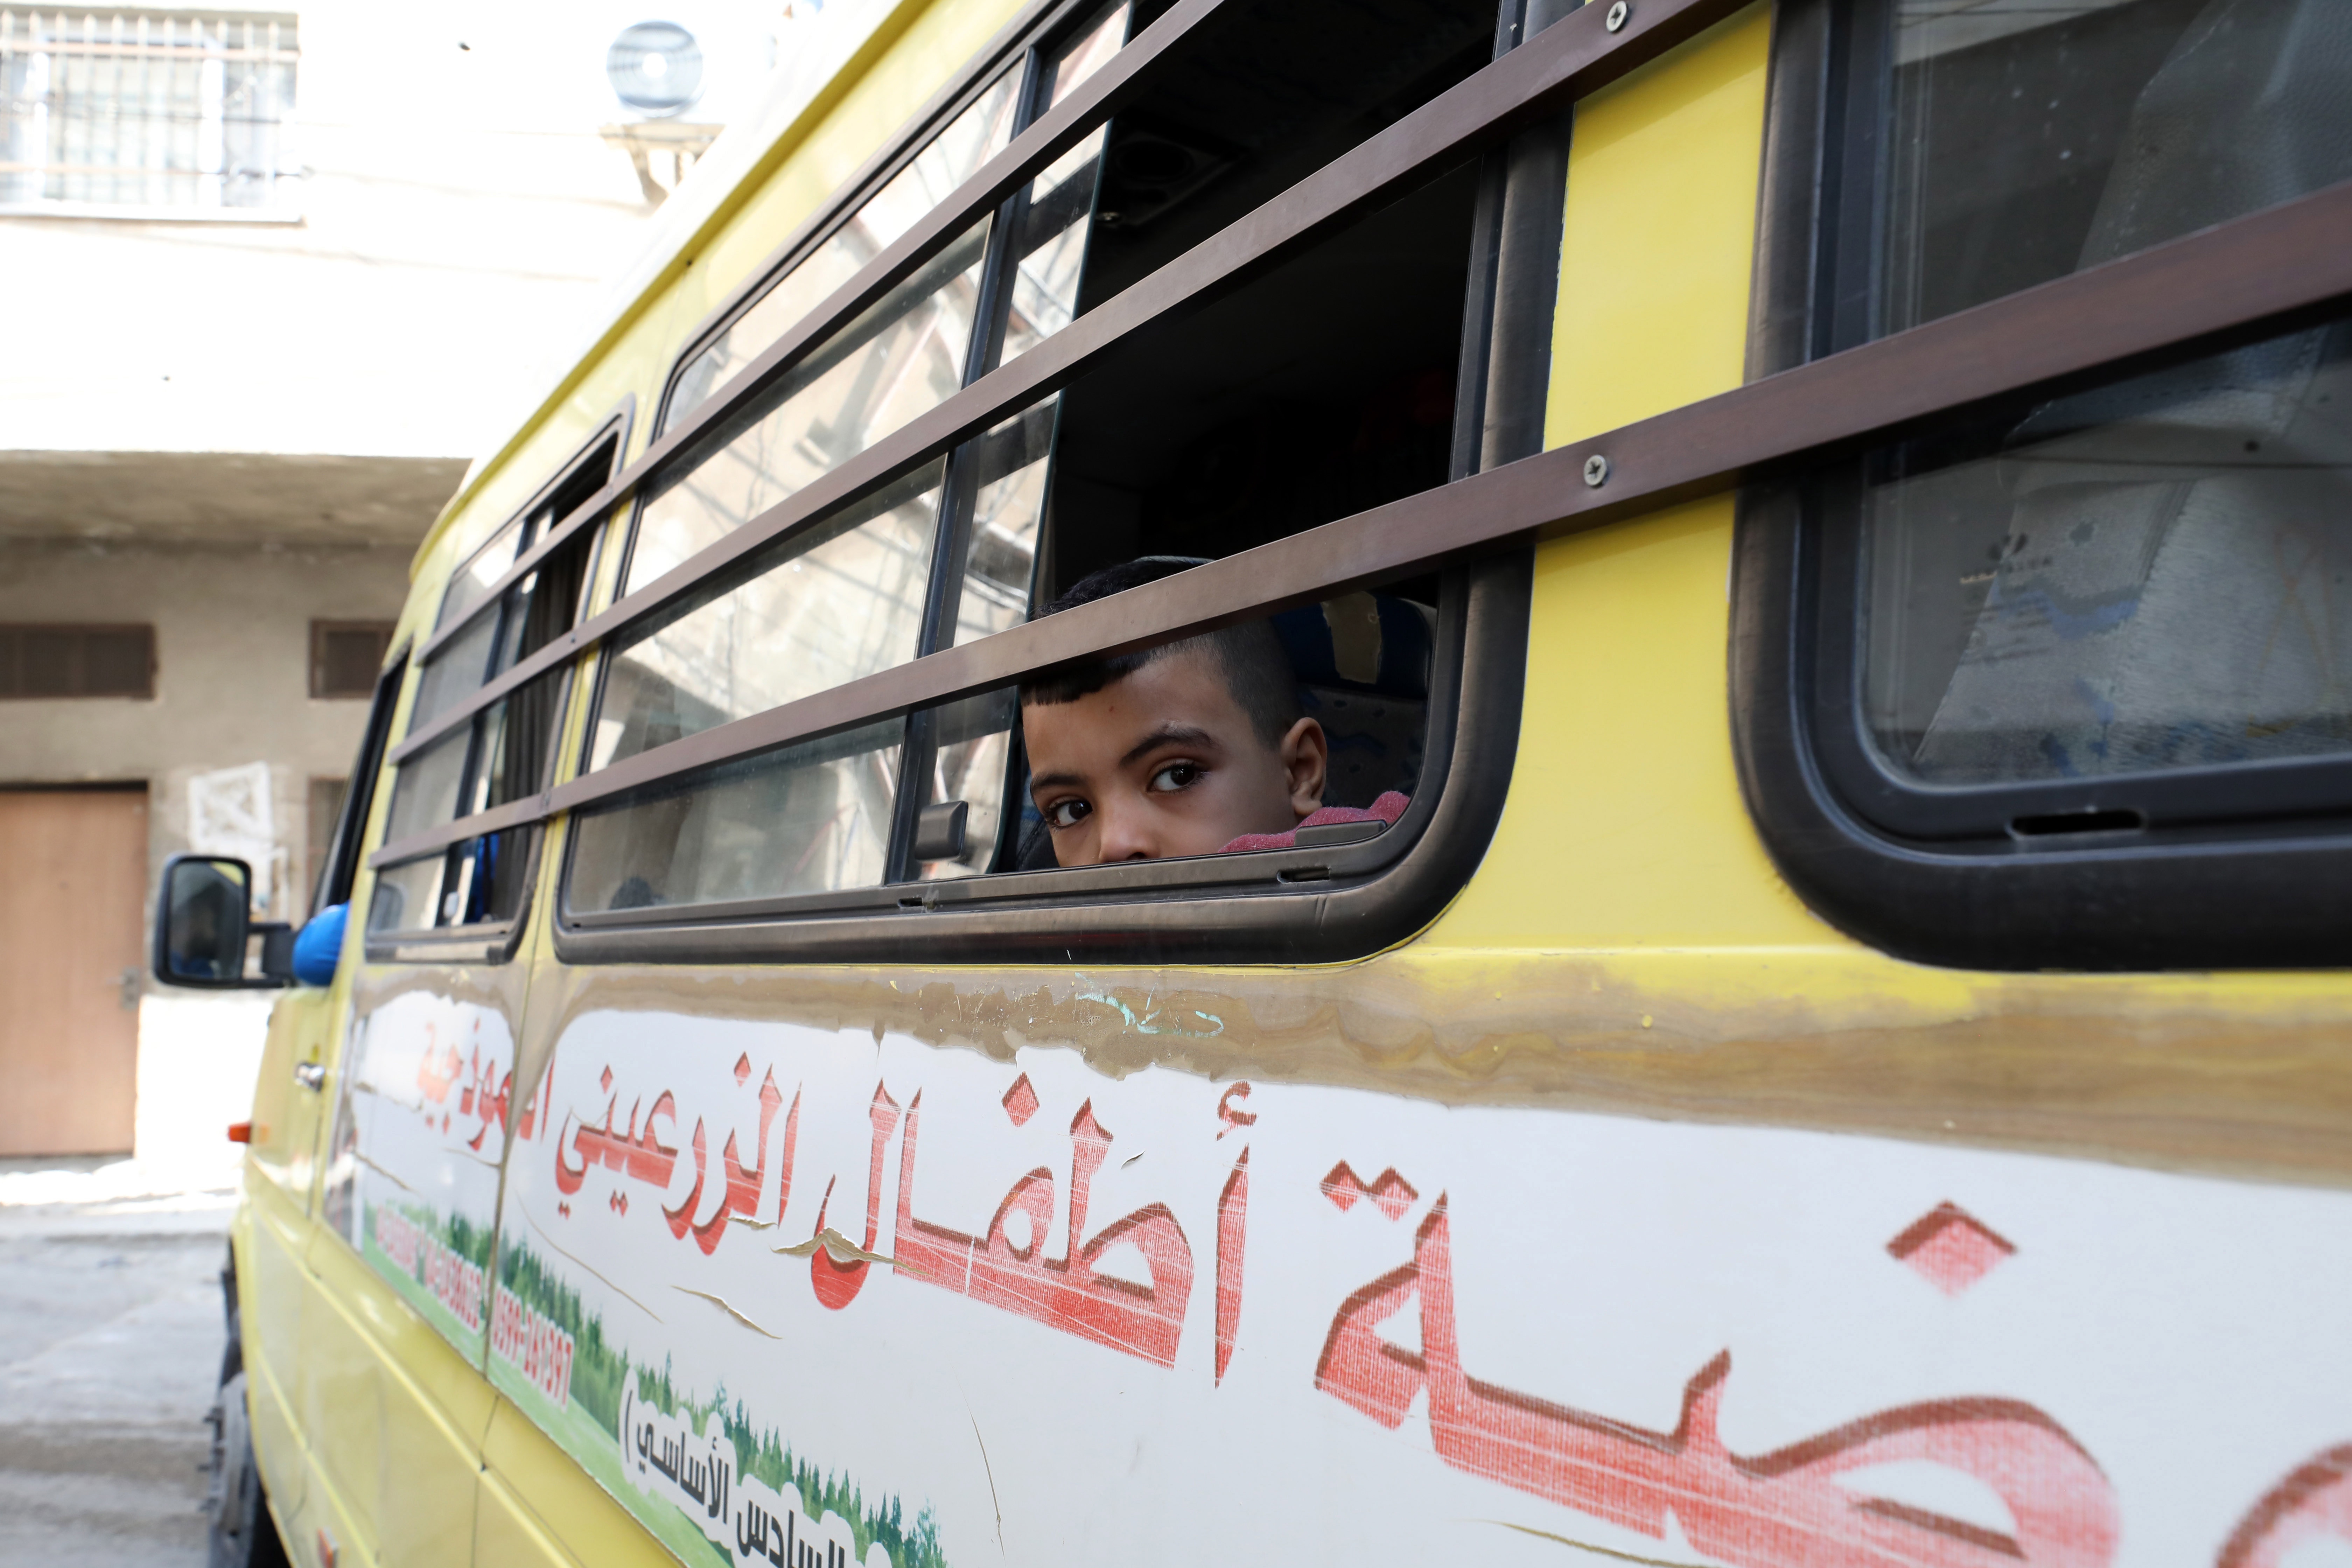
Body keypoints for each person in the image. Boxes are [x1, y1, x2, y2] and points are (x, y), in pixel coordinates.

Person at [1020, 558, 1406, 867]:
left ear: (1299, 772)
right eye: (1072, 811)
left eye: (1178, 775)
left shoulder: (1395, 874)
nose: (1116, 846)